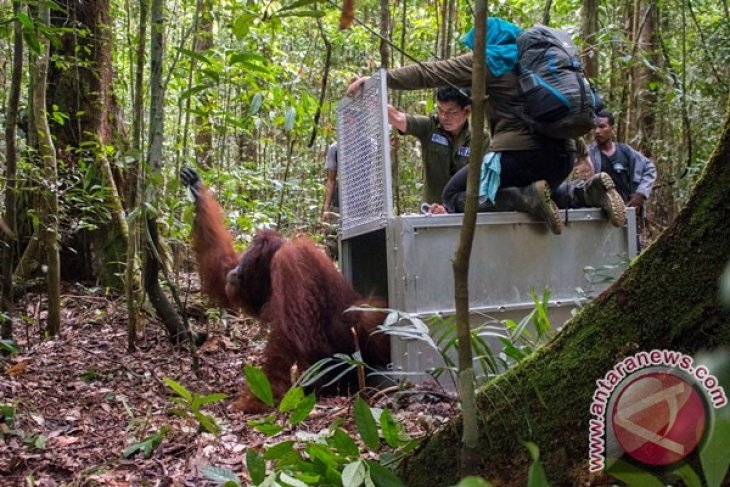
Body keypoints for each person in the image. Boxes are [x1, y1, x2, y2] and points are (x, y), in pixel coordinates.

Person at [348, 27, 581, 234]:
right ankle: (587, 192)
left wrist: (379, 80)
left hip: (522, 154)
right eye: (441, 112)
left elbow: (428, 73)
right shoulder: (538, 70)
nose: (445, 117)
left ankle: (526, 197)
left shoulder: (491, 62)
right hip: (563, 158)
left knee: (452, 194)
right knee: (541, 190)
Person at [553, 111, 655, 228]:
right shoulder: (587, 155)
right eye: (594, 127)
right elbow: (575, 183)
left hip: (626, 213)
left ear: (612, 128)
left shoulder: (625, 151)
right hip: (598, 218)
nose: (597, 131)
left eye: (602, 126)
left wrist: (641, 193)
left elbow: (649, 168)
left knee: (631, 245)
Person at [387, 87, 473, 206]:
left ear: (467, 111)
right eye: (440, 110)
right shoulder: (429, 127)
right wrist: (370, 90)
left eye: (451, 112)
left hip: (462, 212)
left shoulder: (480, 139)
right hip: (430, 211)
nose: (444, 117)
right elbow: (397, 117)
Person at [322, 142, 339, 259]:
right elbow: (331, 180)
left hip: (365, 204)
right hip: (340, 203)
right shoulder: (335, 148)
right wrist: (326, 208)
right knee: (331, 244)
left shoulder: (370, 145)